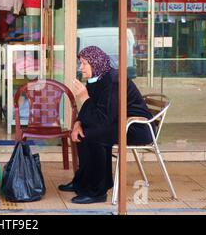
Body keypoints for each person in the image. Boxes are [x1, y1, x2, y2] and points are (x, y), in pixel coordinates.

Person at [59, 46, 154, 204]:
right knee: (84, 132)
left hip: (138, 128)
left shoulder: (113, 81)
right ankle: (82, 182)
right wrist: (78, 123)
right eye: (80, 63)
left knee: (93, 136)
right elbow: (96, 111)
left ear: (96, 63)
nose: (80, 67)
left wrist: (83, 97)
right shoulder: (97, 79)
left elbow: (102, 118)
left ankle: (97, 192)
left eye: (84, 63)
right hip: (118, 122)